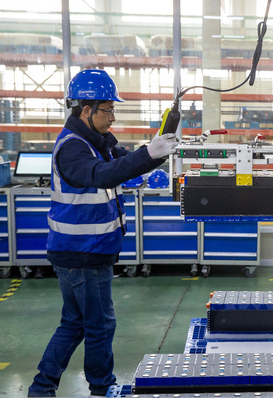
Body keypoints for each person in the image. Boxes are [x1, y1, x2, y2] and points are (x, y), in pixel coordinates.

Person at [28, 69, 178, 397]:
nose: (112, 117)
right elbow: (101, 175)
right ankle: (102, 388)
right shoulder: (73, 148)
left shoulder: (97, 141)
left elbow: (122, 162)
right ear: (87, 110)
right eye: (108, 110)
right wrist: (149, 155)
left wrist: (155, 155)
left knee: (75, 323)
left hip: (81, 250)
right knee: (99, 326)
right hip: (83, 252)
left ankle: (42, 388)